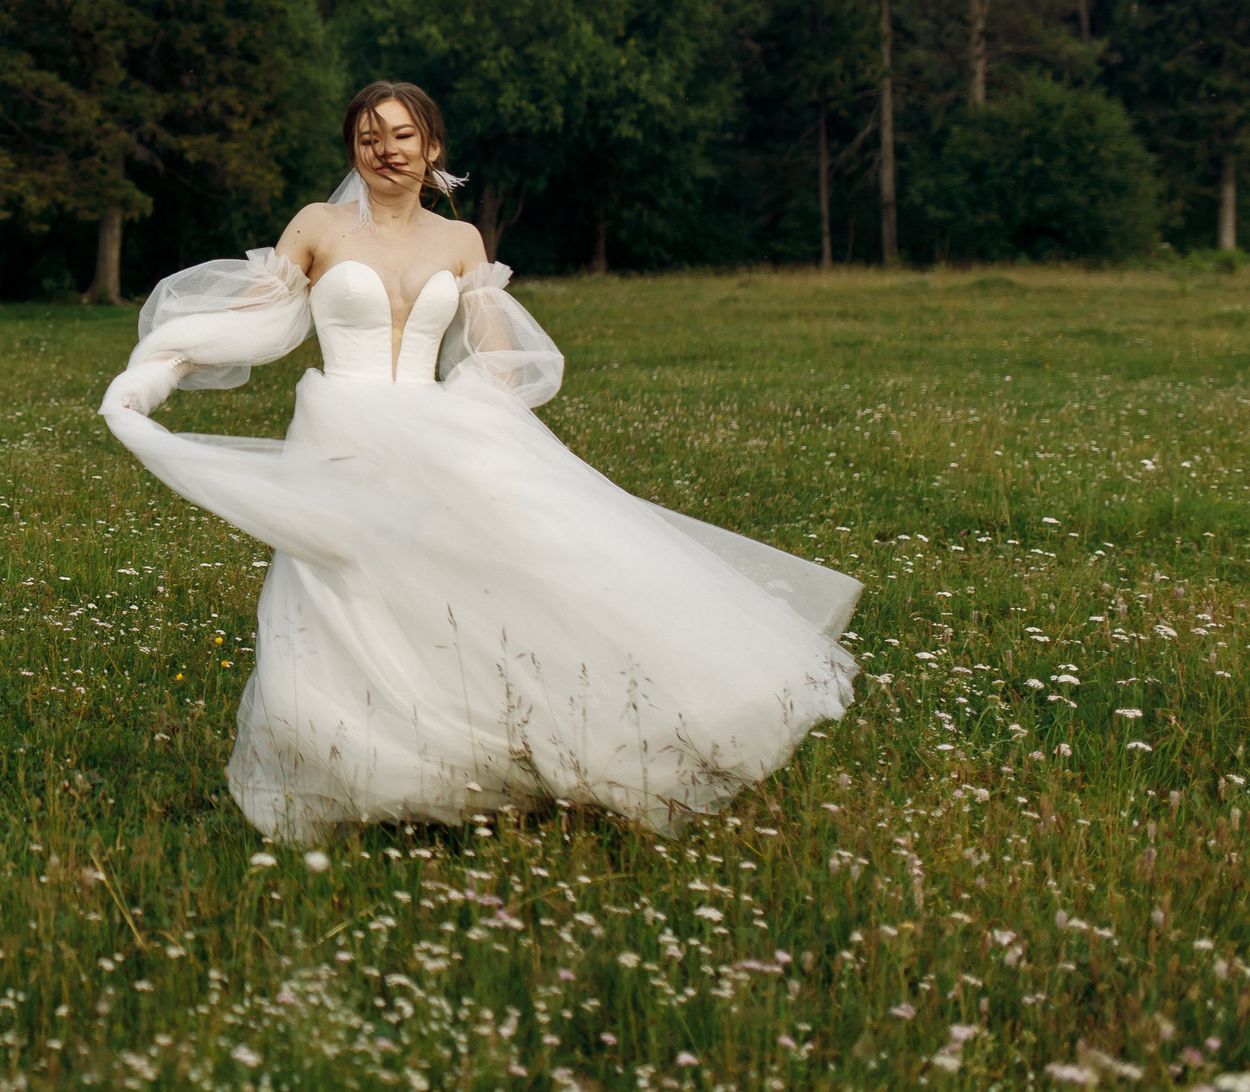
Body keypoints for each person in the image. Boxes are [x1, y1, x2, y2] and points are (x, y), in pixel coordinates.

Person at [100, 80, 858, 837]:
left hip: (435, 431)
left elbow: (494, 351)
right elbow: (246, 319)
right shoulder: (319, 226)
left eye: (400, 135)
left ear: (432, 147)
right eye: (368, 137)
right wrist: (155, 374)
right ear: (352, 149)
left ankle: (499, 751)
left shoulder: (459, 242)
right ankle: (360, 766)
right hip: (343, 433)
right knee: (344, 597)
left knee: (471, 589)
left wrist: (482, 418)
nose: (383, 150)